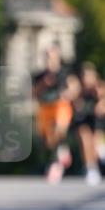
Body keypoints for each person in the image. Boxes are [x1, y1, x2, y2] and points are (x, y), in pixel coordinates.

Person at [32, 43, 79, 183]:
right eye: (47, 57)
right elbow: (33, 93)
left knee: (59, 129)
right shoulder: (39, 75)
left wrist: (68, 94)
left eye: (52, 56)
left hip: (60, 105)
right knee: (48, 139)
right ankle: (62, 151)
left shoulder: (65, 73)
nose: (50, 59)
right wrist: (43, 84)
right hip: (45, 107)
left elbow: (75, 88)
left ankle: (56, 166)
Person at [70, 61, 105, 185]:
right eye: (85, 76)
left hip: (97, 121)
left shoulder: (100, 87)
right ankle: (91, 168)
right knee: (85, 139)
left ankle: (99, 158)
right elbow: (72, 100)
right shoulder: (78, 89)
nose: (87, 79)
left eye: (89, 76)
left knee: (96, 146)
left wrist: (100, 103)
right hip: (83, 119)